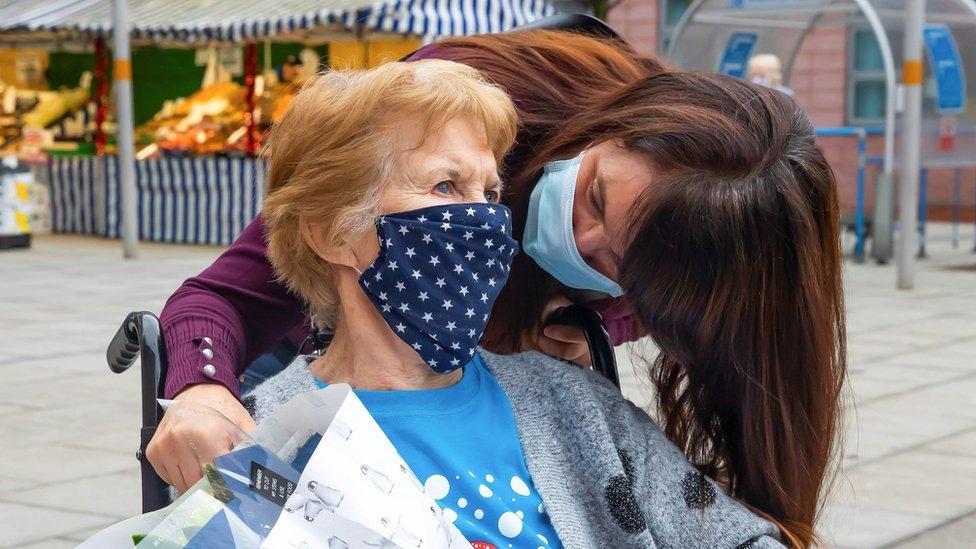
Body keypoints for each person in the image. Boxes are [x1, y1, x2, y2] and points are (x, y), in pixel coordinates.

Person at [150, 29, 845, 547]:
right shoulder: (271, 451)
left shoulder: (573, 406)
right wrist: (203, 391)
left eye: (490, 191)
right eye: (448, 187)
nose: (487, 221)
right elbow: (225, 300)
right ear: (336, 232)